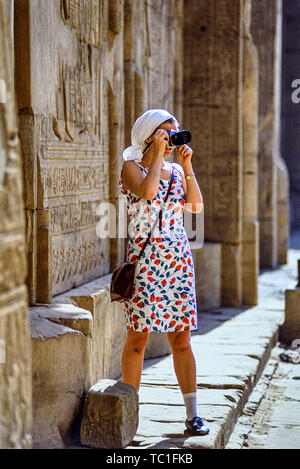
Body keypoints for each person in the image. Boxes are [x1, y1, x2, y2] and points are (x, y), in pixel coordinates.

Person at [119, 109, 209, 436]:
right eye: (165, 134)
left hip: (177, 261)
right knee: (138, 339)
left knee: (182, 339)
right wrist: (156, 154)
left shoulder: (175, 169)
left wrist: (186, 167)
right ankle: (130, 413)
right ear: (148, 135)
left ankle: (192, 414)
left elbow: (196, 208)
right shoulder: (131, 167)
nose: (171, 140)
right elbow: (147, 192)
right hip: (145, 262)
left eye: (174, 133)